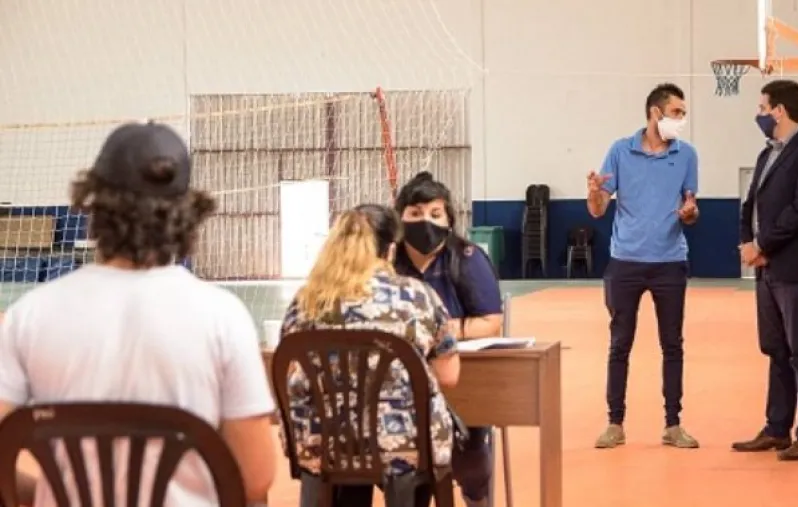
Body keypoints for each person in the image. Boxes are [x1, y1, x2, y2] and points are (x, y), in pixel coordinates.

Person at [0, 122, 278, 506]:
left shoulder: (30, 314)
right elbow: (254, 478)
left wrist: (40, 496)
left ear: (92, 204)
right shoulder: (223, 317)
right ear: (187, 212)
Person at [281, 204, 461, 507]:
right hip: (403, 446)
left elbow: (290, 369)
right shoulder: (418, 296)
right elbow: (448, 376)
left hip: (325, 446)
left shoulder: (306, 300)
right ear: (391, 251)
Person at [587, 83, 700, 450]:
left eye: (683, 113)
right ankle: (615, 423)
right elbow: (598, 209)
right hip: (625, 262)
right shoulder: (620, 151)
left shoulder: (687, 156)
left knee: (673, 345)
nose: (681, 120)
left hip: (670, 262)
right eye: (677, 112)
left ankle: (673, 424)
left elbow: (691, 210)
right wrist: (593, 191)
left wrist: (689, 213)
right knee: (620, 344)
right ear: (656, 112)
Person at [732, 80, 798, 461]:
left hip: (796, 269)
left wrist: (763, 245)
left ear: (778, 110)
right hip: (767, 271)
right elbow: (750, 207)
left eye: (761, 107)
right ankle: (777, 429)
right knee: (776, 350)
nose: (758, 114)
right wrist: (748, 242)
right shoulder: (766, 155)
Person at [393, 172, 503, 507]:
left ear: (449, 219)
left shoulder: (467, 259)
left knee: (470, 457)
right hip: (398, 386)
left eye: (435, 214)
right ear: (399, 219)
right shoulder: (388, 261)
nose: (425, 221)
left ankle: (475, 497)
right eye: (415, 213)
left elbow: (491, 322)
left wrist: (442, 331)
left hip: (460, 379)